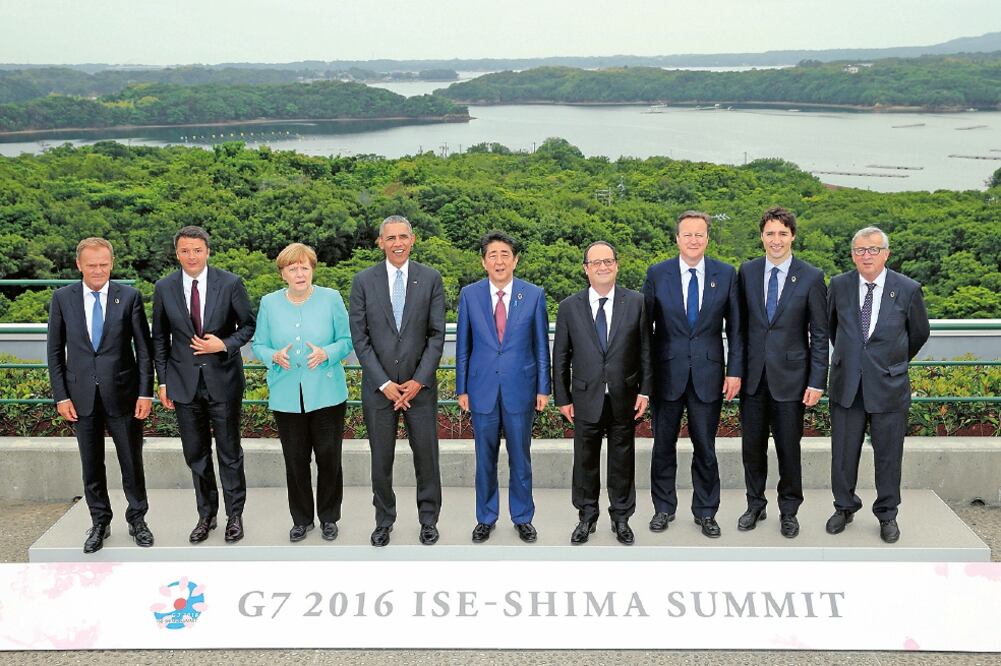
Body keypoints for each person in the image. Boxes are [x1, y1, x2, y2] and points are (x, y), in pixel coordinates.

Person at [47, 237, 155, 553]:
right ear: (79, 265)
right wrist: (61, 396)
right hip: (79, 397)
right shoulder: (62, 298)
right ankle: (99, 523)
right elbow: (54, 351)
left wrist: (145, 393)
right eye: (92, 265)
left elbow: (144, 352)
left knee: (131, 462)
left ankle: (138, 520)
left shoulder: (130, 297)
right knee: (91, 465)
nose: (98, 271)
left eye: (104, 264)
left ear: (112, 263)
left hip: (123, 394)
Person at [642, 210, 743, 539]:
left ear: (707, 238)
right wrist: (644, 380)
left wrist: (735, 372)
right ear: (677, 239)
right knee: (663, 446)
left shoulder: (726, 274)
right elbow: (644, 331)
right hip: (666, 375)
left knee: (706, 446)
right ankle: (663, 508)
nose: (694, 240)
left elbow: (738, 330)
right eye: (687, 234)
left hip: (708, 374)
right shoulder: (658, 274)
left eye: (700, 234)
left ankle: (706, 511)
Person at [152, 226, 256, 544]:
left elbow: (249, 325)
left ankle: (234, 516)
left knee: (229, 453)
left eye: (197, 250)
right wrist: (163, 381)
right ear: (177, 253)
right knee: (195, 454)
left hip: (223, 380)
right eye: (185, 250)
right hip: (184, 384)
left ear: (207, 251)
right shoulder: (164, 287)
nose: (191, 256)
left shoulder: (230, 283)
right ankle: (206, 515)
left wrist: (222, 344)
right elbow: (159, 338)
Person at [826, 226, 929, 543]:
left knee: (888, 456)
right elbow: (834, 329)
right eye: (859, 250)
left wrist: (891, 362)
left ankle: (887, 514)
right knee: (843, 454)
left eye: (872, 250)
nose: (866, 256)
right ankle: (844, 507)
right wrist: (855, 359)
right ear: (852, 254)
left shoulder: (908, 288)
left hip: (888, 384)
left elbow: (919, 334)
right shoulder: (839, 285)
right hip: (847, 385)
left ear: (886, 253)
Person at [349, 216, 445, 547]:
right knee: (381, 460)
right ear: (380, 242)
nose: (398, 243)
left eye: (403, 236)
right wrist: (384, 383)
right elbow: (360, 339)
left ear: (413, 239)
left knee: (426, 457)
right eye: (390, 238)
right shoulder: (363, 281)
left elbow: (436, 336)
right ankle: (384, 520)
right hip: (379, 390)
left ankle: (429, 520)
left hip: (420, 389)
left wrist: (418, 381)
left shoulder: (431, 278)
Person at [736, 206, 828, 539]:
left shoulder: (811, 277)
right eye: (770, 233)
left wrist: (818, 380)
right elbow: (739, 329)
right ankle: (755, 504)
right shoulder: (746, 272)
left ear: (793, 237)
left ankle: (789, 510)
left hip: (792, 379)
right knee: (752, 448)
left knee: (789, 449)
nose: (776, 240)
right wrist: (735, 373)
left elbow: (819, 334)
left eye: (783, 233)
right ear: (762, 236)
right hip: (754, 378)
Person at [552, 241, 652, 546]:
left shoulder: (636, 302)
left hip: (625, 395)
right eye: (595, 263)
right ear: (586, 269)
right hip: (584, 397)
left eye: (608, 261)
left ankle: (621, 517)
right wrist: (563, 398)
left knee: (623, 459)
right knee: (585, 460)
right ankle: (586, 516)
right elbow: (560, 358)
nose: (602, 267)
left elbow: (647, 350)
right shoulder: (569, 306)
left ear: (617, 265)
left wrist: (645, 391)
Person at [253, 243, 352, 543]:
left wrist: (327, 353)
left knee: (329, 458)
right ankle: (301, 519)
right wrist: (273, 356)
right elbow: (259, 344)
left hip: (327, 393)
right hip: (286, 394)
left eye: (304, 267)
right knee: (295, 461)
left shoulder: (331, 298)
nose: (299, 273)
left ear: (313, 270)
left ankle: (329, 517)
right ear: (282, 273)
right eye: (292, 268)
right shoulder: (269, 303)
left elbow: (347, 340)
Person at [456, 231, 551, 544]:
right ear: (483, 262)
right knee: (485, 460)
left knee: (520, 459)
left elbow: (540, 346)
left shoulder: (533, 294)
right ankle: (486, 517)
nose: (499, 261)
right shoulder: (469, 295)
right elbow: (463, 347)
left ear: (516, 259)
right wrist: (462, 389)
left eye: (505, 254)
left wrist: (543, 388)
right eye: (492, 255)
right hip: (481, 389)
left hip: (520, 389)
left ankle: (523, 517)